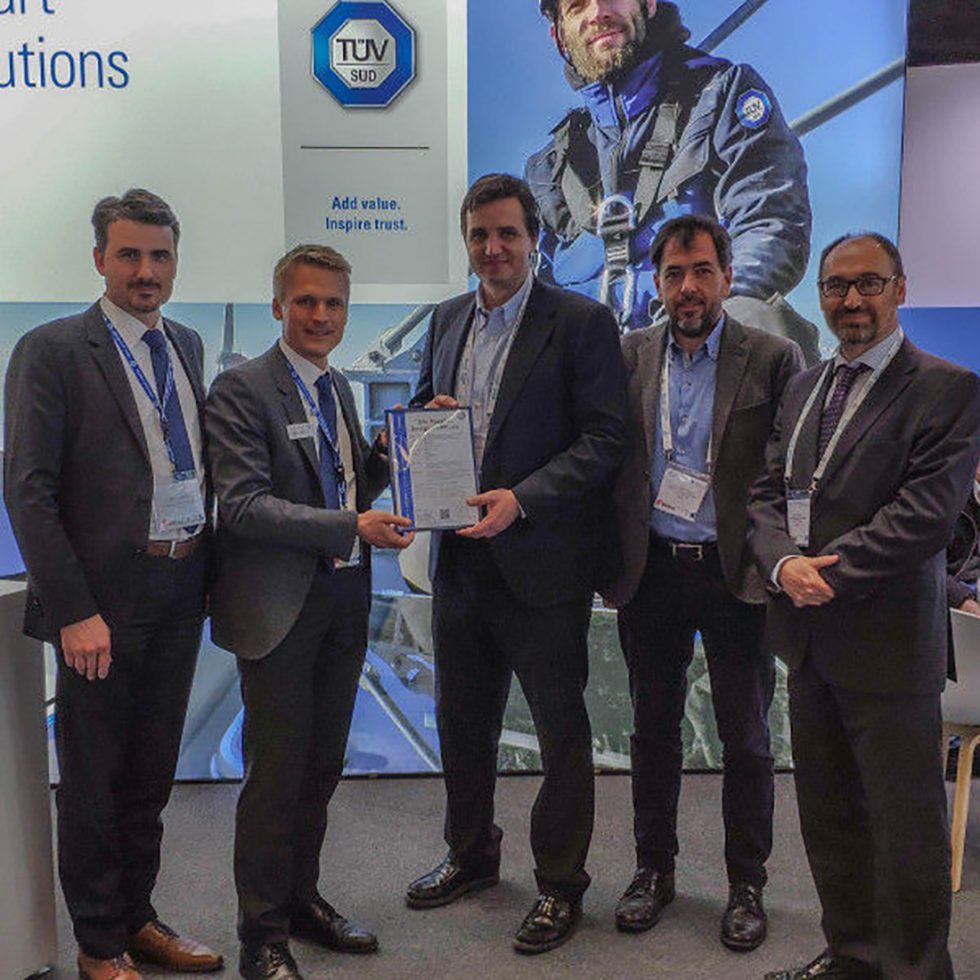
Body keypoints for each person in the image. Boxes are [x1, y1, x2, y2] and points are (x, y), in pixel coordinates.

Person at [403, 173, 628, 954]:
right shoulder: (446, 320)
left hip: (542, 566)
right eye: (479, 235)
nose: (492, 248)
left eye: (507, 233)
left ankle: (561, 885)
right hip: (459, 565)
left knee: (560, 732)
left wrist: (522, 499)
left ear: (535, 239)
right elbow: (422, 418)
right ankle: (470, 856)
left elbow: (605, 438)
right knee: (460, 723)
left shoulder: (582, 322)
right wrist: (426, 424)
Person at [747, 233, 980, 980]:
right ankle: (851, 956)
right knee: (831, 818)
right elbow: (765, 493)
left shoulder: (947, 389)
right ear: (819, 295)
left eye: (868, 284)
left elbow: (925, 516)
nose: (851, 300)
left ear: (900, 289)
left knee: (905, 830)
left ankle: (915, 970)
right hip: (808, 642)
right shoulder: (803, 386)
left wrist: (826, 574)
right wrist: (781, 562)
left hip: (890, 650)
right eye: (836, 286)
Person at [3, 189, 221, 980]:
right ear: (100, 258)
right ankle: (99, 943)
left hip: (179, 585)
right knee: (94, 781)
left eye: (160, 255)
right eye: (129, 254)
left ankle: (138, 917)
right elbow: (28, 490)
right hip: (100, 605)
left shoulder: (187, 345)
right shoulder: (52, 350)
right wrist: (74, 611)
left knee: (151, 774)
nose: (145, 270)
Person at [205, 244, 413, 980]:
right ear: (278, 306)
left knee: (322, 765)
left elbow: (344, 482)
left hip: (342, 600)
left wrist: (396, 450)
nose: (320, 315)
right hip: (280, 608)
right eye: (306, 301)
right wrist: (352, 525)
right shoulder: (240, 390)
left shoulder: (336, 388)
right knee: (275, 777)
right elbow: (244, 506)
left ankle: (301, 900)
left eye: (333, 303)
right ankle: (261, 936)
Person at [602, 214, 803, 951]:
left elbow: (788, 469)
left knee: (745, 739)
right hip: (652, 570)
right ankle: (653, 871)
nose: (687, 287)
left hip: (733, 575)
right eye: (674, 274)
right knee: (651, 732)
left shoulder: (772, 357)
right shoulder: (629, 354)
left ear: (726, 276)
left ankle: (746, 884)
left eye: (701, 272)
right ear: (657, 282)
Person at [526, 0, 818, 363]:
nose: (598, 12)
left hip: (700, 355)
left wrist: (681, 329)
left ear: (649, 3)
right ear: (558, 35)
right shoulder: (549, 171)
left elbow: (768, 222)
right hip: (591, 375)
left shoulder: (719, 96)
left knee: (755, 322)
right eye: (576, 5)